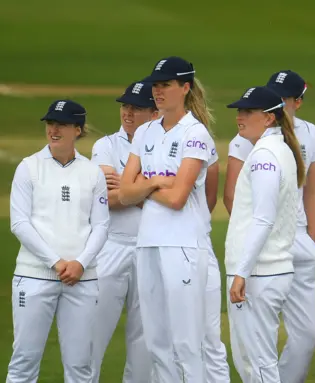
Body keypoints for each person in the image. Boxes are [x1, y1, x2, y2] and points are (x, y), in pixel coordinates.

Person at [118, 56, 227, 382]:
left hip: (183, 246)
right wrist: (153, 183)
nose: (158, 90)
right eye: (156, 84)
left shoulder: (196, 134)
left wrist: (142, 186)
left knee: (186, 342)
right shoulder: (145, 132)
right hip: (148, 243)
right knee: (157, 343)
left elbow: (179, 198)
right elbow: (124, 193)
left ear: (185, 87)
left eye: (166, 84)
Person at [223, 69, 315, 382]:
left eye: (248, 112)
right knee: (258, 362)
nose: (240, 117)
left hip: (259, 272)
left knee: (257, 363)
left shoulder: (265, 154)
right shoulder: (278, 148)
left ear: (268, 119)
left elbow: (264, 218)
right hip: (268, 269)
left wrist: (241, 271)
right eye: (240, 111)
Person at [7, 100, 109, 382]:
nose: (53, 129)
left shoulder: (92, 172)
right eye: (50, 123)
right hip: (34, 276)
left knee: (80, 366)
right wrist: (56, 262)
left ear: (77, 129)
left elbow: (101, 225)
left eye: (61, 124)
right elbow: (20, 223)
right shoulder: (28, 168)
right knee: (24, 361)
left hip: (82, 279)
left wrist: (80, 263)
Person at [89, 81, 157, 382]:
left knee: (145, 341)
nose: (128, 112)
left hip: (150, 248)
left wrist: (126, 188)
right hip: (110, 248)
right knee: (91, 335)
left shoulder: (165, 147)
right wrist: (150, 189)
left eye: (137, 107)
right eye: (125, 106)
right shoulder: (105, 146)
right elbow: (103, 200)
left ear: (154, 112)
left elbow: (177, 201)